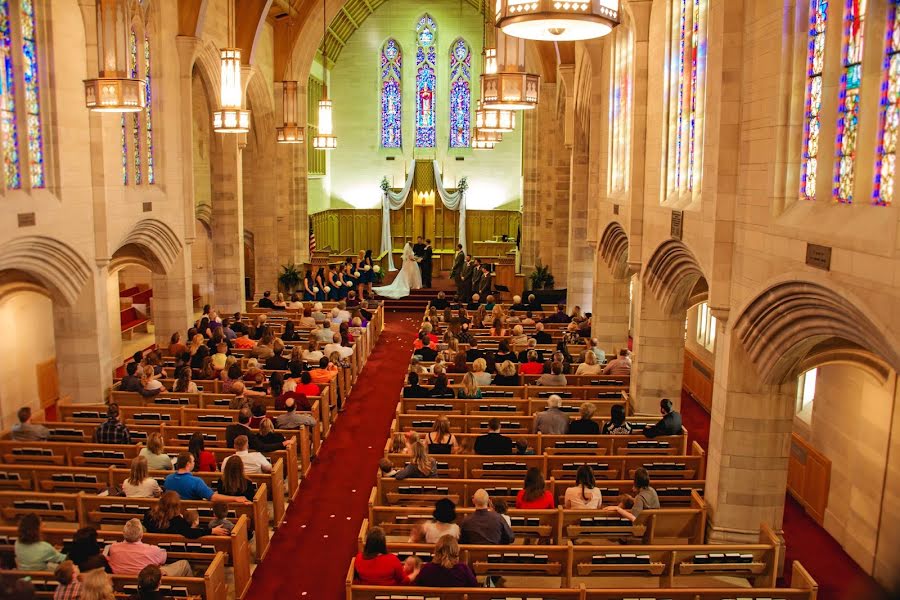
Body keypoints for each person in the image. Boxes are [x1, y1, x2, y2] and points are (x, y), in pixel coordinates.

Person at [107, 519, 192, 577]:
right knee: (184, 564)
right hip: (149, 581)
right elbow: (163, 559)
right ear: (141, 535)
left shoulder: (113, 548)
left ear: (124, 534)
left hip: (122, 581)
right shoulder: (151, 550)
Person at [162, 453, 251, 504]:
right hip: (193, 514)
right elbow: (212, 497)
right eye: (193, 461)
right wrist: (235, 498)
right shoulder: (196, 482)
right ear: (188, 464)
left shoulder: (168, 479)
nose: (194, 463)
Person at [143, 492, 230, 538]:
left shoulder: (148, 514)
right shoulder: (177, 522)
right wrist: (211, 531)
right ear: (177, 506)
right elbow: (191, 532)